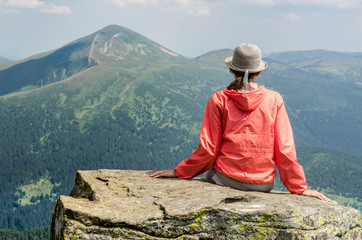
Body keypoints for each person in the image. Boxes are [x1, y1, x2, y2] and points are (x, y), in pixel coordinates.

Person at [150, 43, 331, 202]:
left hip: (225, 178)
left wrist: (180, 172)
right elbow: (285, 149)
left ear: (231, 69)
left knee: (210, 174)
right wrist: (299, 187)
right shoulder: (274, 99)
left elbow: (209, 149)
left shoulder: (218, 99)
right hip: (263, 183)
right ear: (259, 71)